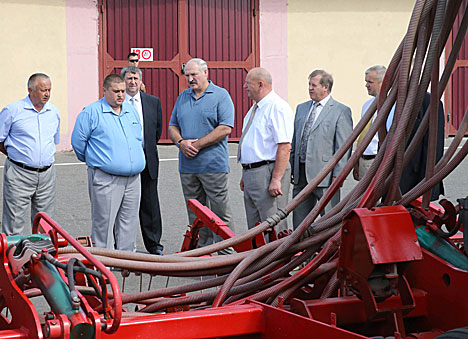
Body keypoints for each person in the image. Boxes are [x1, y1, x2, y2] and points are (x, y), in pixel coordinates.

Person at [71, 74, 145, 251]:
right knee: (104, 223)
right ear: (105, 91)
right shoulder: (91, 112)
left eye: (123, 91)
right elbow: (78, 143)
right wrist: (97, 161)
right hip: (106, 178)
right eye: (116, 91)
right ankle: (104, 264)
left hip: (133, 179)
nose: (121, 95)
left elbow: (137, 137)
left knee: (129, 222)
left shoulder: (130, 110)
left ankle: (128, 261)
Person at [168, 58, 234, 253]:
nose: (190, 79)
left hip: (213, 166)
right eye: (187, 75)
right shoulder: (183, 97)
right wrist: (180, 143)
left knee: (220, 213)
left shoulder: (221, 96)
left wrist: (197, 144)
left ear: (206, 73)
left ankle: (226, 254)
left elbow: (225, 128)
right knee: (196, 216)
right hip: (188, 168)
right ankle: (202, 253)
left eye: (194, 74)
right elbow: (172, 126)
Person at [290, 69, 353, 229]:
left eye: (314, 85)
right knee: (300, 221)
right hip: (301, 175)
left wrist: (338, 176)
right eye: (309, 84)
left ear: (326, 87)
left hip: (325, 176)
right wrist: (293, 168)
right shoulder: (302, 108)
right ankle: (302, 252)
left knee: (329, 219)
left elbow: (344, 147)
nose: (310, 88)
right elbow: (295, 139)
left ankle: (330, 252)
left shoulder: (340, 111)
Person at [0, 73, 60, 235]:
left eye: (49, 90)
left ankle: (40, 257)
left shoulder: (53, 112)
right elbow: (0, 139)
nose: (47, 94)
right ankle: (13, 258)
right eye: (43, 90)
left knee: (45, 223)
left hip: (46, 174)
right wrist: (18, 156)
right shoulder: (12, 111)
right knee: (14, 222)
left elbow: (52, 141)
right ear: (30, 90)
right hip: (19, 173)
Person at [239, 67, 293, 234]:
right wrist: (245, 174)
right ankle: (257, 259)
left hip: (267, 172)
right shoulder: (256, 108)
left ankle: (277, 259)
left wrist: (276, 179)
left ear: (260, 84)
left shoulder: (277, 108)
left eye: (248, 83)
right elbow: (255, 144)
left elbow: (284, 146)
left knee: (272, 224)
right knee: (255, 228)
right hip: (252, 174)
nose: (244, 87)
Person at [121, 66, 164, 255]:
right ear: (123, 81)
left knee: (150, 205)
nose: (132, 82)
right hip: (123, 161)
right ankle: (120, 246)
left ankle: (154, 245)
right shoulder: (117, 102)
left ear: (140, 81)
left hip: (147, 160)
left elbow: (156, 131)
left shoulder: (153, 102)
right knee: (122, 206)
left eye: (135, 78)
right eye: (129, 78)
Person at [353, 65, 387, 181]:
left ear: (382, 82)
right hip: (364, 160)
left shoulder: (391, 106)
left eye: (370, 82)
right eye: (366, 81)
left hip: (378, 160)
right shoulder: (367, 105)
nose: (366, 85)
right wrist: (357, 160)